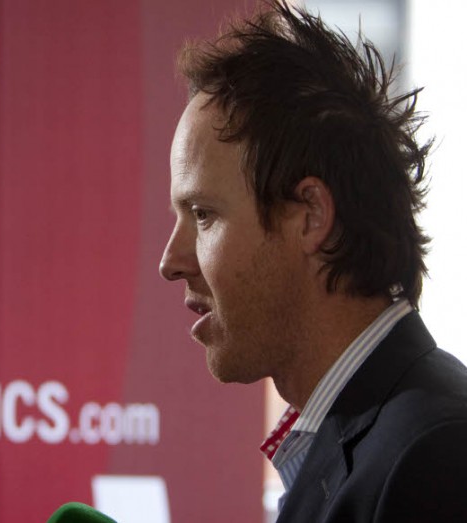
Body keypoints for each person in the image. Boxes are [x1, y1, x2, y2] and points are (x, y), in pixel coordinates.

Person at [159, 1, 467, 521]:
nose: (171, 261)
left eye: (204, 215)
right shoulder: (371, 441)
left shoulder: (435, 455)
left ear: (310, 216)